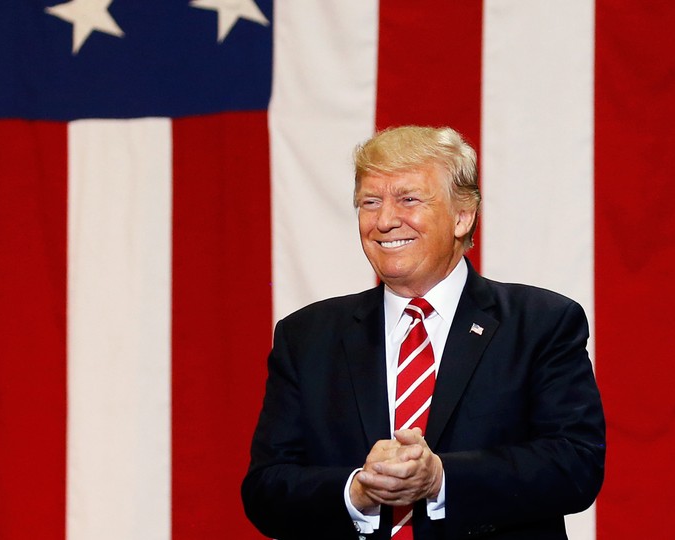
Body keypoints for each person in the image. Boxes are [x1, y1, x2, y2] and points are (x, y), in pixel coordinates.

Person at [241, 126, 605, 540]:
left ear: (462, 216)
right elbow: (266, 489)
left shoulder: (541, 323)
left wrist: (441, 479)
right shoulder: (305, 337)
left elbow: (575, 465)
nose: (385, 220)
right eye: (370, 202)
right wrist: (357, 490)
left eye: (408, 199)